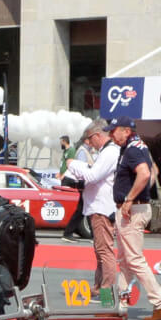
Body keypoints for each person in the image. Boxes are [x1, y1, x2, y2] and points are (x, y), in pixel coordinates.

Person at [109, 118, 161, 320]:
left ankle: (160, 302)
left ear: (126, 131)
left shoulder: (132, 149)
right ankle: (120, 306)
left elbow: (145, 174)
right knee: (125, 260)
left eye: (113, 131)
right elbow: (151, 172)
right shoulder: (137, 146)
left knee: (134, 260)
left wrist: (130, 199)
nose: (111, 135)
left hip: (131, 209)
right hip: (135, 207)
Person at [65, 120, 122, 298]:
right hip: (99, 207)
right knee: (101, 251)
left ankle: (107, 293)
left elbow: (92, 175)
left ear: (98, 135)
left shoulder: (109, 152)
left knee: (104, 252)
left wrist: (72, 164)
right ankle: (99, 287)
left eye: (90, 139)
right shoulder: (107, 152)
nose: (89, 143)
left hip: (102, 208)